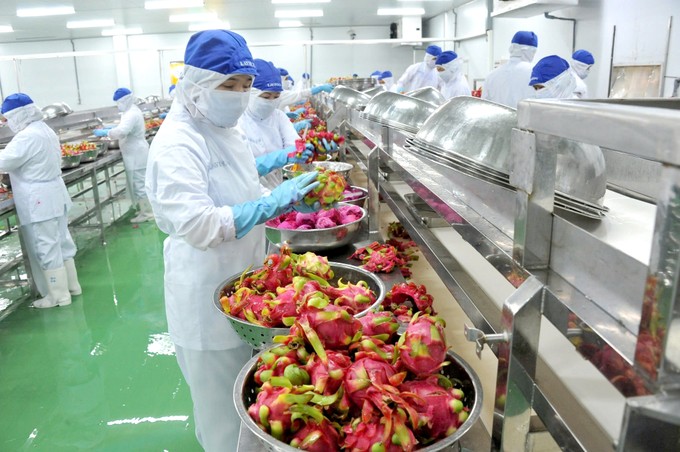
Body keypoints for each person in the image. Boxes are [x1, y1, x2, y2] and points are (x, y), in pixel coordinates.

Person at [144, 29, 320, 452]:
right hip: (205, 293)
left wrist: (281, 200)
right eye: (230, 85)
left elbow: (244, 187)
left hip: (242, 290)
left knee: (250, 402)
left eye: (245, 86)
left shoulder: (226, 128)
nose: (240, 96)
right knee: (223, 420)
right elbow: (199, 224)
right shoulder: (177, 142)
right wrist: (271, 203)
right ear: (198, 85)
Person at [0, 93, 81, 308]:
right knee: (62, 241)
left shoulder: (26, 136)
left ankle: (58, 296)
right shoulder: (45, 130)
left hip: (39, 199)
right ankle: (72, 286)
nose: (7, 124)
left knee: (46, 245)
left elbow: (4, 162)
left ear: (17, 115)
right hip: (54, 193)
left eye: (8, 119)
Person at [239, 58, 316, 190]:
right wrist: (280, 157)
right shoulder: (237, 121)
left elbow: (294, 147)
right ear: (250, 92)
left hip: (276, 190)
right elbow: (238, 171)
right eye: (266, 96)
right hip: (247, 193)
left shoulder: (279, 117)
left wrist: (313, 147)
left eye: (276, 97)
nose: (271, 101)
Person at [94, 88, 152, 223]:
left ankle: (148, 213)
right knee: (138, 183)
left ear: (125, 101)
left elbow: (121, 132)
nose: (118, 105)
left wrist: (106, 133)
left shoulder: (131, 113)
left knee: (140, 184)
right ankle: (144, 209)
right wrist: (109, 128)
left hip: (136, 154)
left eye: (118, 102)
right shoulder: (130, 111)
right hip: (135, 153)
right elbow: (123, 127)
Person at [482, 31, 538, 108]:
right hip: (524, 116)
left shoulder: (491, 75)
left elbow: (484, 105)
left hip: (497, 116)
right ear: (532, 51)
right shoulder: (536, 73)